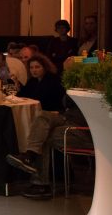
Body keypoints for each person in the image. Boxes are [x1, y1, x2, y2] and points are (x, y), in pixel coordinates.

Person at [6, 55, 73, 200]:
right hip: (42, 119)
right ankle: (37, 177)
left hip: (57, 116)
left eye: (37, 67)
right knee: (41, 132)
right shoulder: (33, 81)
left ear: (45, 67)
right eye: (31, 67)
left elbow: (45, 99)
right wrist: (17, 84)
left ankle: (29, 157)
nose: (34, 70)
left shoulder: (52, 80)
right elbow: (22, 95)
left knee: (41, 122)